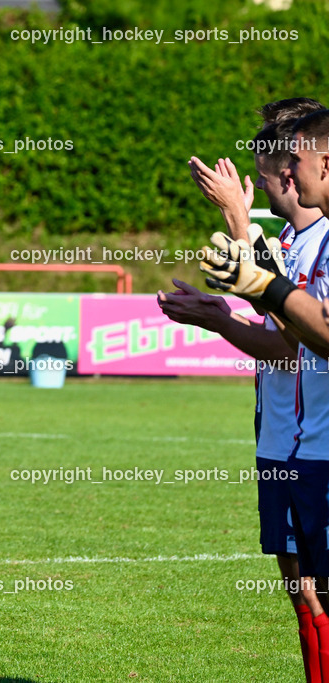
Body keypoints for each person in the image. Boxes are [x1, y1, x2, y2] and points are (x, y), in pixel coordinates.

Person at [163, 100, 329, 682]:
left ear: (292, 169)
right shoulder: (289, 238)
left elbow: (295, 343)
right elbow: (281, 329)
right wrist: (221, 314)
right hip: (283, 443)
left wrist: (238, 221)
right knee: (305, 596)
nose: (256, 186)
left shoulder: (318, 241)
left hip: (316, 449)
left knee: (319, 596)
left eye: (262, 174)